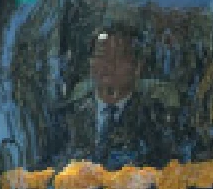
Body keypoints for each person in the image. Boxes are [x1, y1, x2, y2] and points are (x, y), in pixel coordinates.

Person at [56, 23, 173, 169]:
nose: (108, 64)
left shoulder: (158, 118)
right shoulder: (64, 117)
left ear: (137, 67)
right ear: (91, 64)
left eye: (119, 57)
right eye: (101, 56)